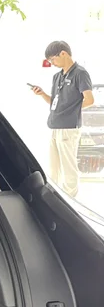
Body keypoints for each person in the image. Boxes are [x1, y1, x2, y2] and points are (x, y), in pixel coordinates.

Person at [29, 40, 94, 198]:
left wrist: (70, 111)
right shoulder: (57, 77)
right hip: (54, 126)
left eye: (53, 59)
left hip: (69, 127)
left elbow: (89, 100)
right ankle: (55, 198)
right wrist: (42, 94)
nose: (52, 63)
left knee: (68, 168)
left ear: (63, 53)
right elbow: (56, 103)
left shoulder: (80, 73)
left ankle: (70, 200)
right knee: (54, 169)